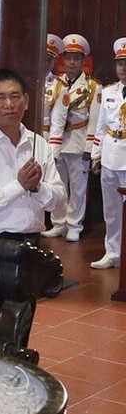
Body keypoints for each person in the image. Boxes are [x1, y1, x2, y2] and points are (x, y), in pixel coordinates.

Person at [0, 68, 64, 348]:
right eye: (1, 98)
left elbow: (59, 199)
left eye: (15, 97)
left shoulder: (38, 145)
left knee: (16, 337)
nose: (9, 105)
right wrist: (18, 186)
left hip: (28, 252)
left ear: (27, 101)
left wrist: (37, 188)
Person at [42, 33, 102, 242]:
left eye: (76, 58)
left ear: (83, 61)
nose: (71, 62)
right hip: (56, 141)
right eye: (67, 58)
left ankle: (74, 224)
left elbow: (94, 120)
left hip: (78, 140)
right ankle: (58, 222)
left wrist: (90, 147)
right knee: (57, 183)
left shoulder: (93, 86)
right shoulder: (56, 84)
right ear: (62, 60)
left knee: (78, 186)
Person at [90, 38, 126, 269]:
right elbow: (101, 126)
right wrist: (96, 154)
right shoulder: (109, 92)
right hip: (111, 156)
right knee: (111, 209)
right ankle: (113, 252)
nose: (123, 67)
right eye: (120, 63)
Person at [42, 34, 67, 149]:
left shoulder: (59, 86)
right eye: (43, 58)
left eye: (49, 60)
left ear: (54, 62)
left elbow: (58, 122)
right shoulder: (24, 81)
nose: (45, 63)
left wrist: (53, 153)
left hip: (44, 138)